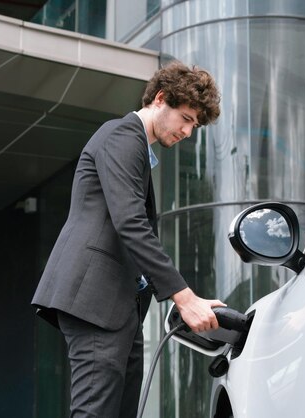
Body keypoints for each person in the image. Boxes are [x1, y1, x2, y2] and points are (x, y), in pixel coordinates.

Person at [31, 60, 225, 418]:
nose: (188, 132)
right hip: (94, 303)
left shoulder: (133, 145)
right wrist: (184, 298)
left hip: (117, 306)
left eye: (194, 125)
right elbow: (131, 223)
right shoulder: (122, 135)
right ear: (160, 99)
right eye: (186, 118)